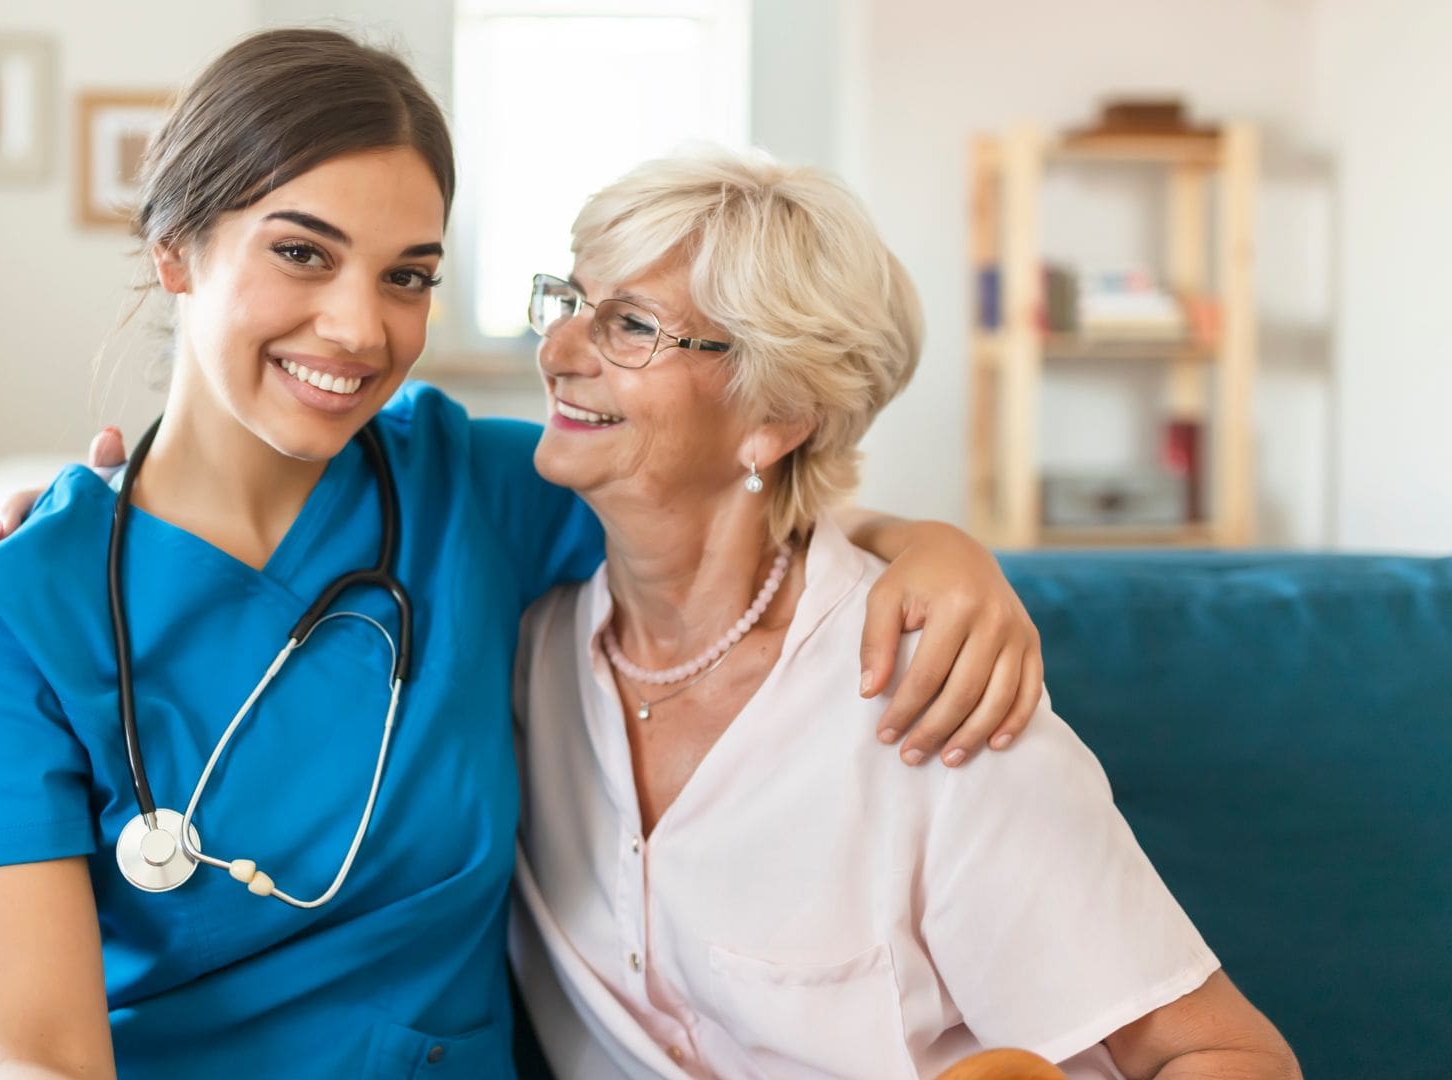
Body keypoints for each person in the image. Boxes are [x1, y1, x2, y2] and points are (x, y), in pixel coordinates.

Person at [0, 28, 1045, 1079]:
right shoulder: (12, 610)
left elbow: (725, 495)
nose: (362, 330)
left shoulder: (474, 490)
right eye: (304, 253)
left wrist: (937, 550)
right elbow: (38, 1058)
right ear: (175, 251)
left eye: (408, 276)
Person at [507, 147, 1300, 1078]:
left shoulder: (929, 689)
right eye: (569, 303)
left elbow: (1226, 1055)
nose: (557, 354)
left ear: (777, 414)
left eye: (632, 327)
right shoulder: (524, 651)